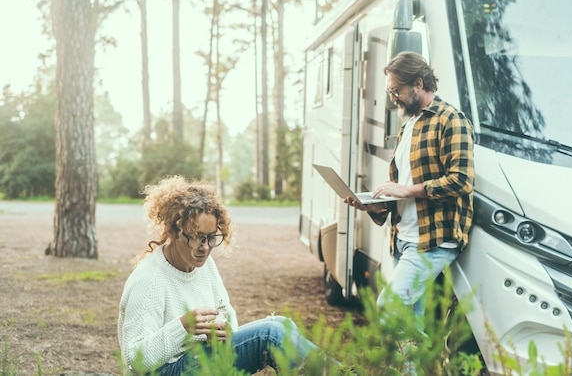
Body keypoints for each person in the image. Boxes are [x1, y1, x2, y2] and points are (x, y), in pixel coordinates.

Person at [118, 175, 317, 375]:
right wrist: (182, 327)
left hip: (200, 358)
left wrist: (222, 330)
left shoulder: (205, 265)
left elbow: (227, 317)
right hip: (165, 371)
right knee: (270, 334)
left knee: (282, 325)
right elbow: (135, 360)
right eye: (196, 237)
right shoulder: (149, 279)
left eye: (211, 238)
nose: (204, 247)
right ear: (173, 231)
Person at [345, 51, 474, 331]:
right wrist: (373, 206)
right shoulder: (409, 127)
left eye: (396, 90)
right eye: (390, 91)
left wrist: (406, 190)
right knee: (408, 325)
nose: (392, 98)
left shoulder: (451, 119)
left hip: (433, 241)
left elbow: (461, 180)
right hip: (403, 239)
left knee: (388, 309)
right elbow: (403, 192)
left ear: (418, 84)